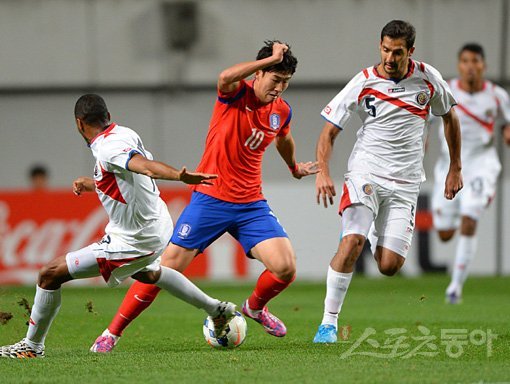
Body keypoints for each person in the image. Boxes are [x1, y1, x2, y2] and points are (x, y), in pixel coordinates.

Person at [89, 40, 319, 353]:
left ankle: (254, 307)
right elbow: (225, 77)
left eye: (286, 83)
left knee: (285, 267)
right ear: (258, 74)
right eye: (275, 80)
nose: (279, 88)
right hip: (210, 199)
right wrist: (272, 57)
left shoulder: (280, 111)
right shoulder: (236, 94)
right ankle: (111, 333)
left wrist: (293, 167)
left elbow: (284, 138)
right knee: (163, 270)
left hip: (251, 203)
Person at [0, 94, 236, 359]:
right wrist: (93, 183)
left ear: (79, 123)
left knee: (49, 274)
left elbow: (144, 166)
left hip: (133, 239)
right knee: (149, 274)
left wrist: (178, 176)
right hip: (156, 224)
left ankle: (32, 347)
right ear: (108, 117)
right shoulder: (124, 133)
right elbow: (126, 174)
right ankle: (217, 309)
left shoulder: (107, 147)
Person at [312, 20, 463, 343]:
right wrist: (324, 170)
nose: (389, 58)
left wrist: (455, 168)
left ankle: (369, 225)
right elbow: (329, 131)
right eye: (384, 50)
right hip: (366, 172)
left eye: (397, 52)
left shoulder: (428, 79)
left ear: (410, 51)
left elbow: (450, 118)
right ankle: (328, 323)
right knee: (352, 242)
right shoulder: (364, 81)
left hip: (406, 182)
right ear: (379, 46)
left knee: (389, 266)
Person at [431, 43, 510, 304]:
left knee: (470, 218)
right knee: (444, 234)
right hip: (449, 165)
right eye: (465, 61)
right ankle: (450, 217)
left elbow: (506, 125)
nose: (470, 66)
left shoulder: (497, 96)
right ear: (459, 66)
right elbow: (423, 120)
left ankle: (455, 287)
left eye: (475, 61)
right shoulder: (446, 91)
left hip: (481, 164)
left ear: (483, 66)